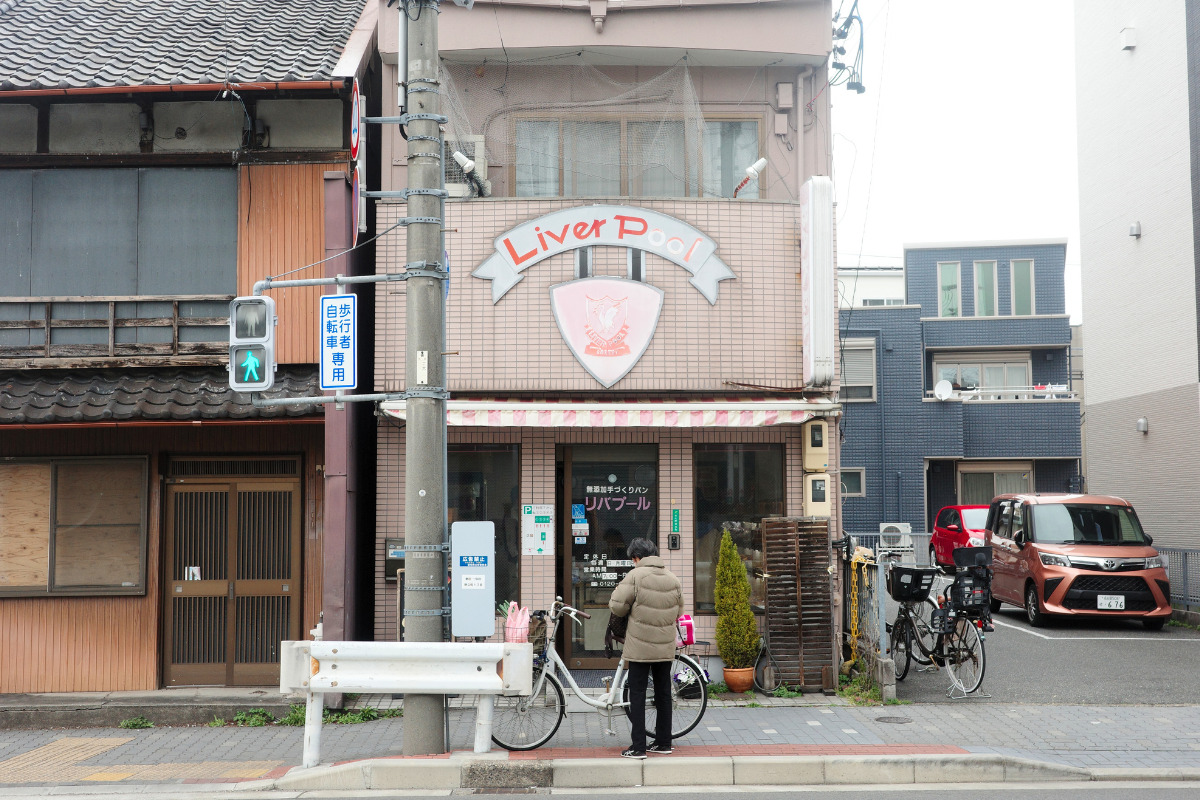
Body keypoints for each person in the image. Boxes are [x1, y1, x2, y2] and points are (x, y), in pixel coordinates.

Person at [608, 537, 684, 759]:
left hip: (640, 646)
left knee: (638, 694)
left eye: (633, 559)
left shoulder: (635, 576)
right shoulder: (672, 578)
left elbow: (617, 607)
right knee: (663, 694)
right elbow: (679, 611)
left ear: (637, 557)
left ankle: (638, 747)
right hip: (665, 646)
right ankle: (663, 743)